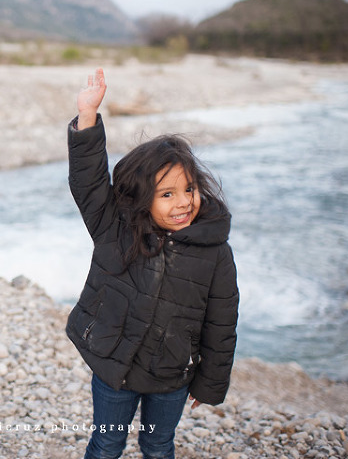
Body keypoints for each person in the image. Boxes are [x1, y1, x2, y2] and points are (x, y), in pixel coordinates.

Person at [67, 68, 238, 459]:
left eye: (189, 189)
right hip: (114, 368)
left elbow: (222, 319)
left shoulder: (214, 249)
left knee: (158, 445)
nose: (182, 202)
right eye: (167, 194)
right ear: (142, 198)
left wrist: (210, 382)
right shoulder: (116, 229)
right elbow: (89, 182)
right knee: (107, 442)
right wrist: (89, 116)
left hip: (170, 376)